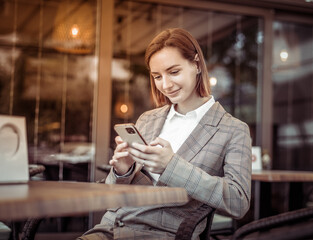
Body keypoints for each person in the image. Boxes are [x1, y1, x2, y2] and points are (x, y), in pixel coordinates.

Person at [78, 28, 252, 240]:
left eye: (174, 72)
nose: (165, 85)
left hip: (163, 235)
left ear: (196, 65)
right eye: (157, 76)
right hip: (109, 228)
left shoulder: (233, 130)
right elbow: (112, 198)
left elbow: (238, 202)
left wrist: (172, 166)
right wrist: (123, 171)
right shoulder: (147, 120)